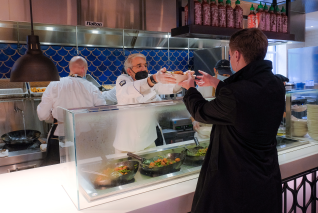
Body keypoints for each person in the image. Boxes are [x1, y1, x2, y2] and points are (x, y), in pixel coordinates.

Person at [179, 28, 284, 213]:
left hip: (237, 182)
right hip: (267, 175)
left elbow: (201, 111)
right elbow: (244, 98)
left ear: (236, 54)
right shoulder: (275, 82)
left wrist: (190, 90)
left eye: (229, 55)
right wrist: (216, 82)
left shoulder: (235, 94)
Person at [37, 56, 106, 166]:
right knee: (85, 168)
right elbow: (102, 112)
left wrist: (53, 118)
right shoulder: (91, 87)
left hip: (59, 135)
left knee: (57, 170)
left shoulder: (54, 84)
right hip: (85, 136)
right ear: (84, 69)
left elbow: (42, 114)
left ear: (70, 68)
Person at [113, 53, 182, 153]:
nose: (143, 68)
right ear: (129, 71)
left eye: (145, 65)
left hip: (148, 141)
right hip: (126, 144)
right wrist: (154, 79)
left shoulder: (150, 78)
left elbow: (169, 88)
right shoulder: (123, 80)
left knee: (153, 167)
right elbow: (129, 89)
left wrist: (181, 81)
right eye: (139, 66)